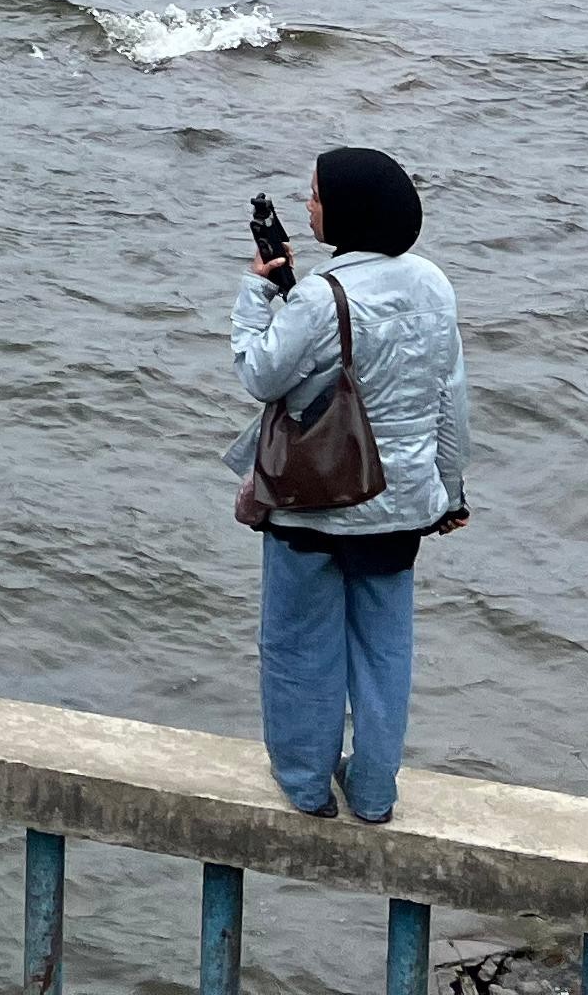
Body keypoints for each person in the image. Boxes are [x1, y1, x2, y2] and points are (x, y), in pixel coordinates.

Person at [234, 146, 468, 825]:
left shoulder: (316, 296)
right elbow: (450, 400)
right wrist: (450, 493)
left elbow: (259, 374)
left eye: (314, 194)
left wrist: (258, 292)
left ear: (345, 210)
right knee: (384, 651)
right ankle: (372, 790)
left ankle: (307, 784)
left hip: (315, 502)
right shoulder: (434, 286)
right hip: (400, 507)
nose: (307, 204)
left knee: (299, 646)